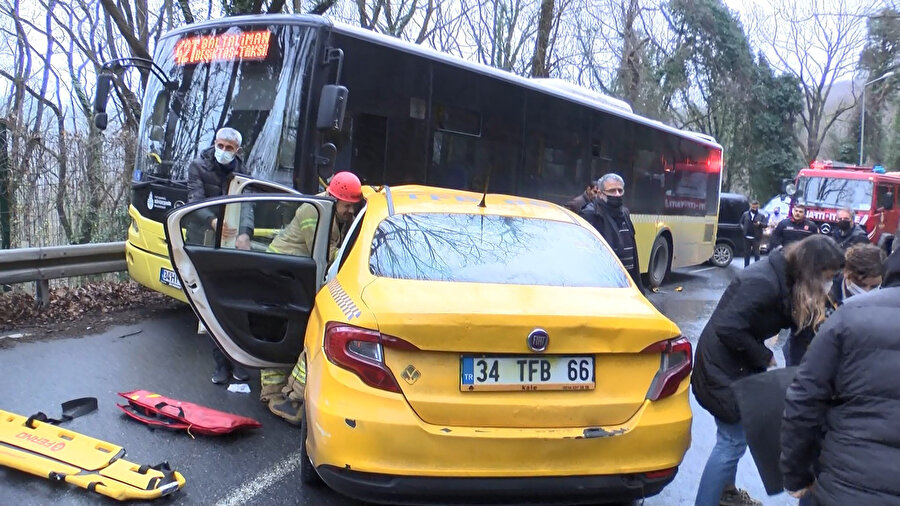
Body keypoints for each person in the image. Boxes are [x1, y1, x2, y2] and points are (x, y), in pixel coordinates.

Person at [691, 235, 844, 506]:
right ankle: (708, 501)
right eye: (827, 276)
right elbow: (728, 327)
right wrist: (765, 356)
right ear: (812, 269)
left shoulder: (786, 278)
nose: (829, 283)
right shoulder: (762, 282)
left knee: (733, 438)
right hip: (721, 367)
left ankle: (726, 496)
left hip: (735, 363)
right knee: (731, 440)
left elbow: (799, 325)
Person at [780, 247, 900, 505]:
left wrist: (795, 475)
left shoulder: (851, 315)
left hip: (844, 484)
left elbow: (804, 400)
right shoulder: (825, 297)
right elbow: (797, 347)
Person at [262, 171, 364, 425]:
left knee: (290, 331)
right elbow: (326, 253)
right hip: (280, 272)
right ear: (333, 198)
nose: (350, 212)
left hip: (298, 273)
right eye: (347, 207)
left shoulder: (334, 212)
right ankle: (276, 395)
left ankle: (285, 392)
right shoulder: (313, 212)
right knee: (280, 330)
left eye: (354, 207)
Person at [187, 127, 251, 385]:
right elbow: (194, 200)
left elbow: (248, 205)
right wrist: (213, 222)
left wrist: (245, 233)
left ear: (237, 151)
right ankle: (220, 365)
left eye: (229, 148)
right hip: (204, 240)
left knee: (234, 301)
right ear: (214, 143)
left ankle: (238, 362)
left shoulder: (243, 173)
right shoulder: (198, 166)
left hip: (232, 242)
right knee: (210, 304)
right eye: (220, 145)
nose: (223, 151)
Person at [786, 243, 885, 366]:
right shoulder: (818, 297)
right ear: (846, 273)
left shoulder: (888, 301)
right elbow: (800, 346)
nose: (867, 291)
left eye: (874, 286)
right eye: (861, 285)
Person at [582, 173, 643, 293]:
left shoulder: (624, 213)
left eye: (620, 190)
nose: (617, 194)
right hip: (604, 285)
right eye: (612, 191)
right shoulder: (590, 214)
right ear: (600, 193)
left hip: (627, 283)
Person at [739, 199, 766, 267]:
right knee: (746, 254)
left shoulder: (761, 216)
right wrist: (743, 229)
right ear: (750, 206)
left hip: (756, 237)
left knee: (756, 254)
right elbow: (740, 223)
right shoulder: (745, 214)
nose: (754, 209)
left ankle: (756, 267)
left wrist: (760, 224)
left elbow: (765, 224)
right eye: (753, 207)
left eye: (756, 207)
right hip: (746, 237)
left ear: (758, 207)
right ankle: (746, 267)